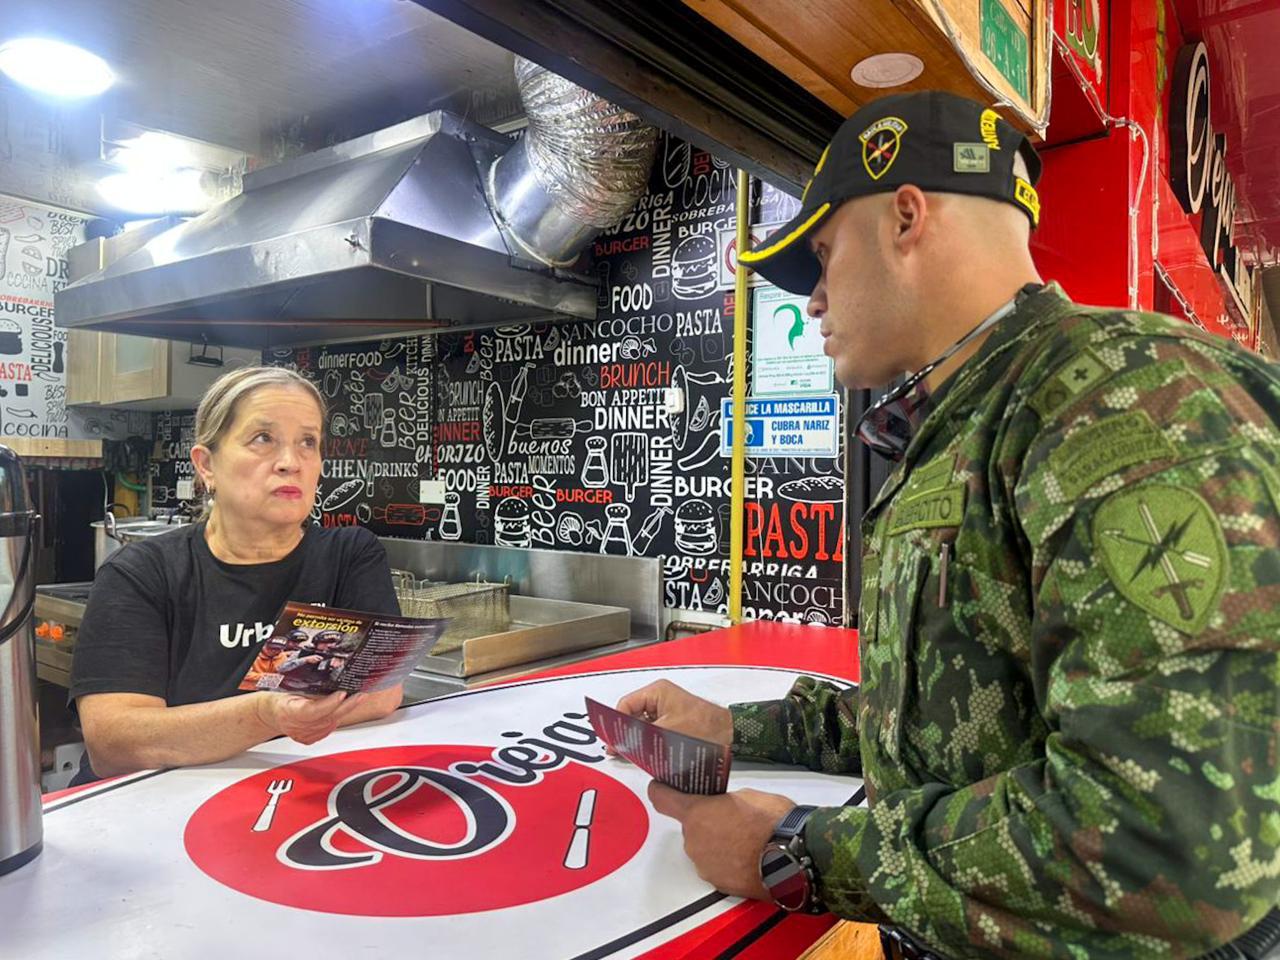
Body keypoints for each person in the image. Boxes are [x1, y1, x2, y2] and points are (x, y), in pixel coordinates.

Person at [618, 91, 1280, 958]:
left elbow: (1161, 838)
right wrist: (733, 729)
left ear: (905, 218)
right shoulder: (971, 419)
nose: (813, 302)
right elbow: (943, 714)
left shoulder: (1128, 399)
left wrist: (798, 852)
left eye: (822, 255)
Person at [70, 366, 403, 783]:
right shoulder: (140, 573)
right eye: (263, 438)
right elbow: (113, 744)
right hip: (142, 805)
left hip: (282, 786)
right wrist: (266, 713)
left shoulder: (349, 554)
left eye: (308, 442)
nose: (291, 463)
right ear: (206, 464)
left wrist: (234, 726)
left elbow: (383, 691)